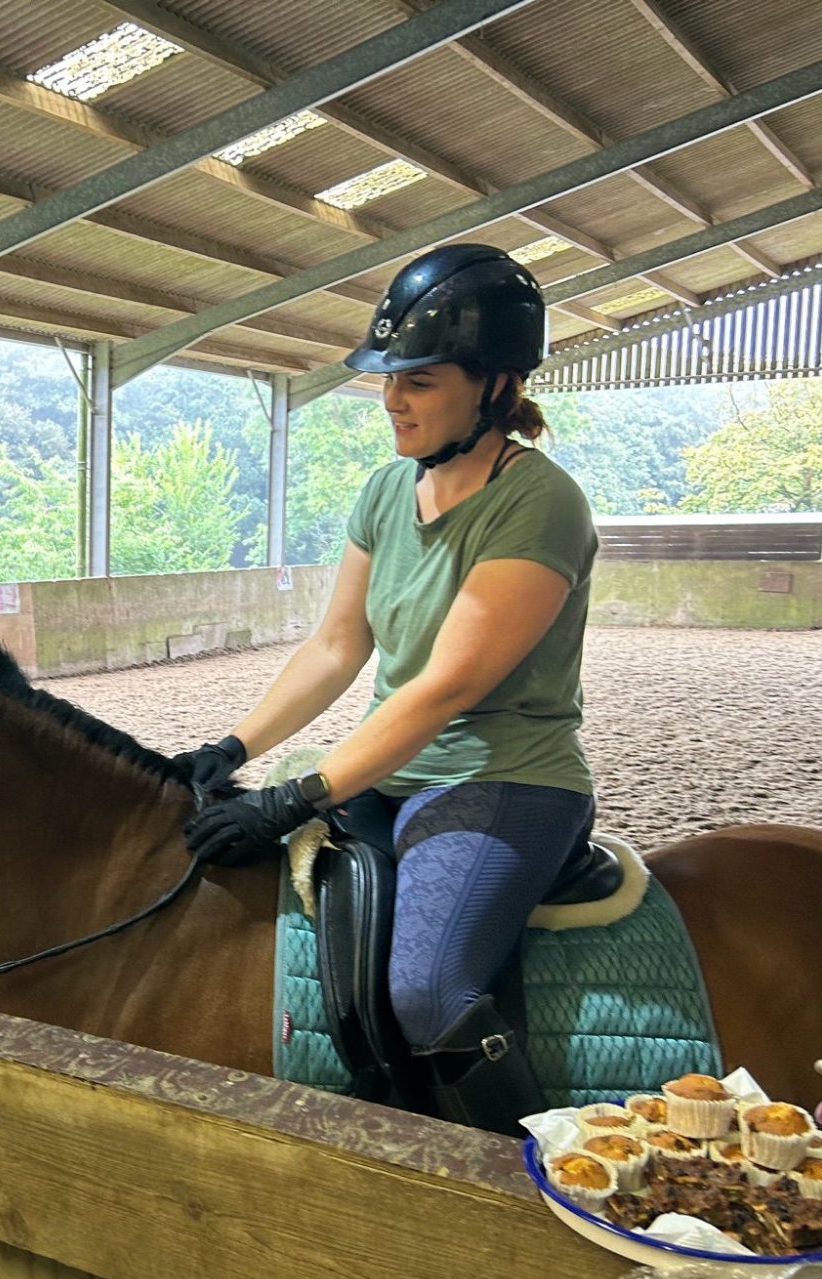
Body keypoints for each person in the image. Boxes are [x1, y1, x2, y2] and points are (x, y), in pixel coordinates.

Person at [175, 243, 598, 1134]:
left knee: (428, 986)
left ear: (495, 385)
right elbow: (336, 646)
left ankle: (523, 1172)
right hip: (388, 770)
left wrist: (299, 792)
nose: (392, 400)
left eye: (421, 380)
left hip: (503, 776)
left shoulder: (540, 503)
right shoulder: (384, 491)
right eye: (389, 378)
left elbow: (447, 686)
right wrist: (234, 748)